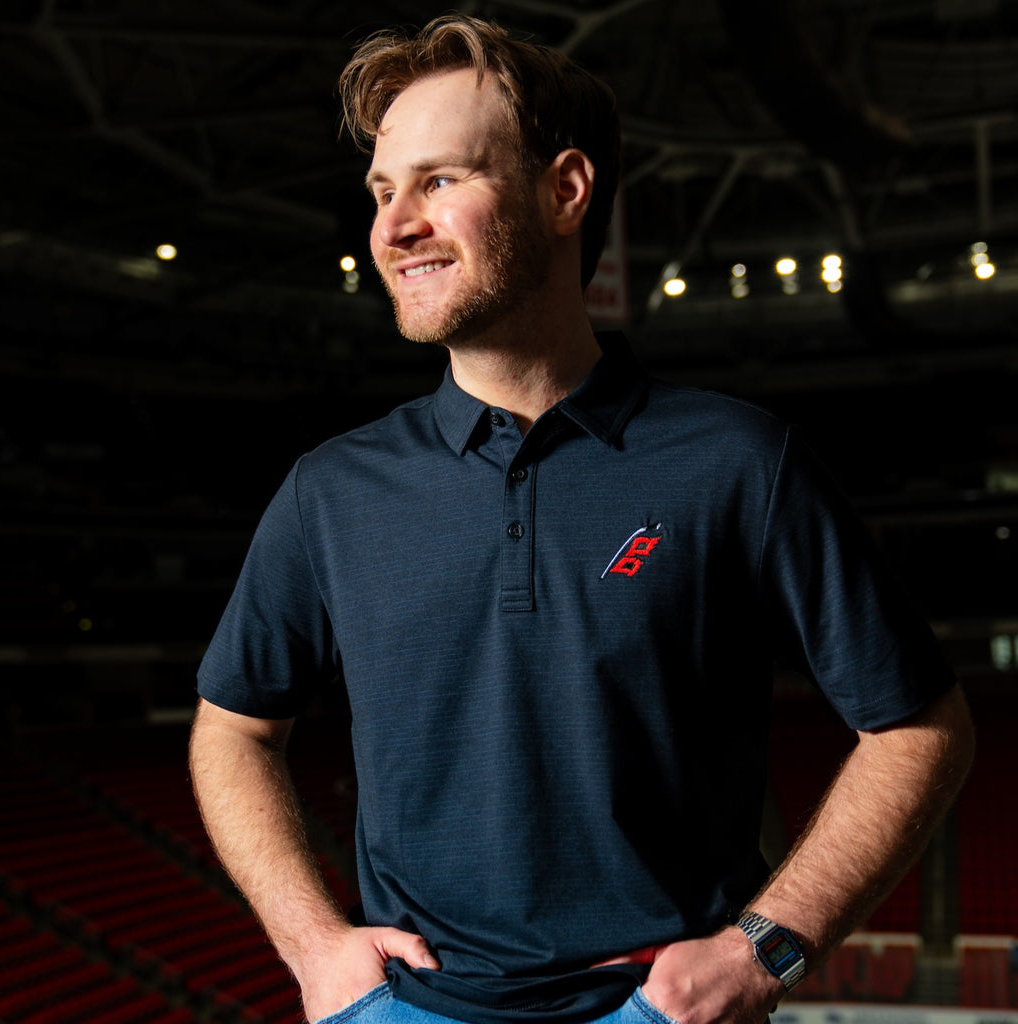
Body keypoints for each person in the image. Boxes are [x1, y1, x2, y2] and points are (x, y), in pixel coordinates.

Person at [188, 15, 975, 1024]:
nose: (392, 225)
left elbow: (918, 725)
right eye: (384, 191)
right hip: (400, 1009)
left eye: (439, 181)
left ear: (564, 191)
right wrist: (312, 945)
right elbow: (232, 728)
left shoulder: (738, 460)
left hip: (658, 1009)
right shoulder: (331, 489)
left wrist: (763, 948)